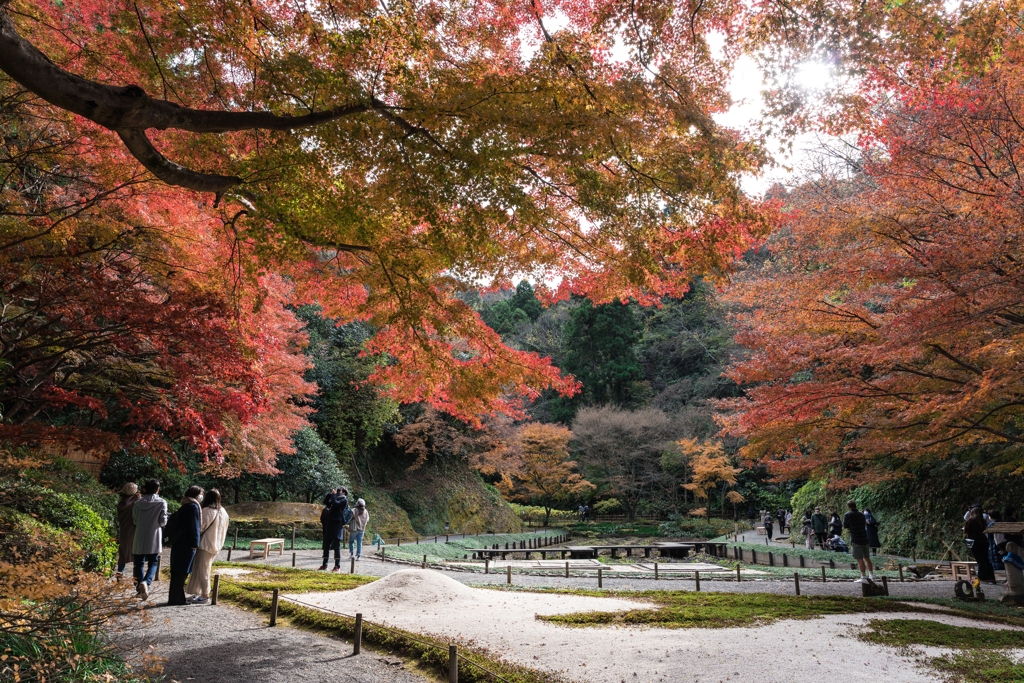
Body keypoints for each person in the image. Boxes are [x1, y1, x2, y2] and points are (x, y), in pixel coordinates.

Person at [186, 488, 229, 603]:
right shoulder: (223, 511)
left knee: (203, 569)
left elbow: (200, 527)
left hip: (204, 544)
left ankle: (205, 595)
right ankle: (198, 592)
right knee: (202, 568)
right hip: (216, 545)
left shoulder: (206, 510)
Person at [132, 479, 168, 600]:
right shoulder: (162, 502)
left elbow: (135, 520)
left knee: (138, 563)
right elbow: (163, 521)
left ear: (145, 489)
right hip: (154, 535)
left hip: (139, 535)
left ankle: (139, 590)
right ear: (157, 489)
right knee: (153, 562)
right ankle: (146, 582)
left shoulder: (137, 503)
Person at [168, 486, 203, 606]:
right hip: (187, 544)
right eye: (201, 493)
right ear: (196, 494)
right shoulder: (193, 506)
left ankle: (174, 597)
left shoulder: (185, 505)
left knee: (176, 571)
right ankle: (178, 599)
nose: (201, 496)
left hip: (179, 542)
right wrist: (195, 543)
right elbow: (194, 526)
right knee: (182, 571)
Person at [843, 499, 874, 583]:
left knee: (859, 559)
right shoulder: (861, 514)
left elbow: (845, 525)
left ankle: (863, 577)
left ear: (848, 506)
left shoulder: (847, 515)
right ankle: (871, 576)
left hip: (856, 538)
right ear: (855, 505)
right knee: (867, 558)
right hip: (864, 537)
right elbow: (864, 523)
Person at [319, 488, 351, 571]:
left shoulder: (344, 500)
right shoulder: (335, 498)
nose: (338, 492)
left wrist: (333, 495)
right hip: (330, 525)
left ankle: (337, 566)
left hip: (337, 525)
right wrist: (330, 494)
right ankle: (324, 564)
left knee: (336, 546)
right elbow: (326, 502)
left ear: (343, 492)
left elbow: (335, 504)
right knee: (326, 545)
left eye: (339, 490)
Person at [965, 505, 996, 584]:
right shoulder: (983, 521)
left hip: (975, 543)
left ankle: (981, 578)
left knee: (980, 561)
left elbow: (966, 530)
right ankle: (991, 578)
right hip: (984, 541)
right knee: (986, 560)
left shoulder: (971, 521)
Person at [116, 483, 141, 576]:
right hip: (135, 530)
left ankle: (120, 572)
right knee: (136, 554)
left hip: (124, 530)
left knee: (122, 553)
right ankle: (136, 576)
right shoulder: (137, 502)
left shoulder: (121, 503)